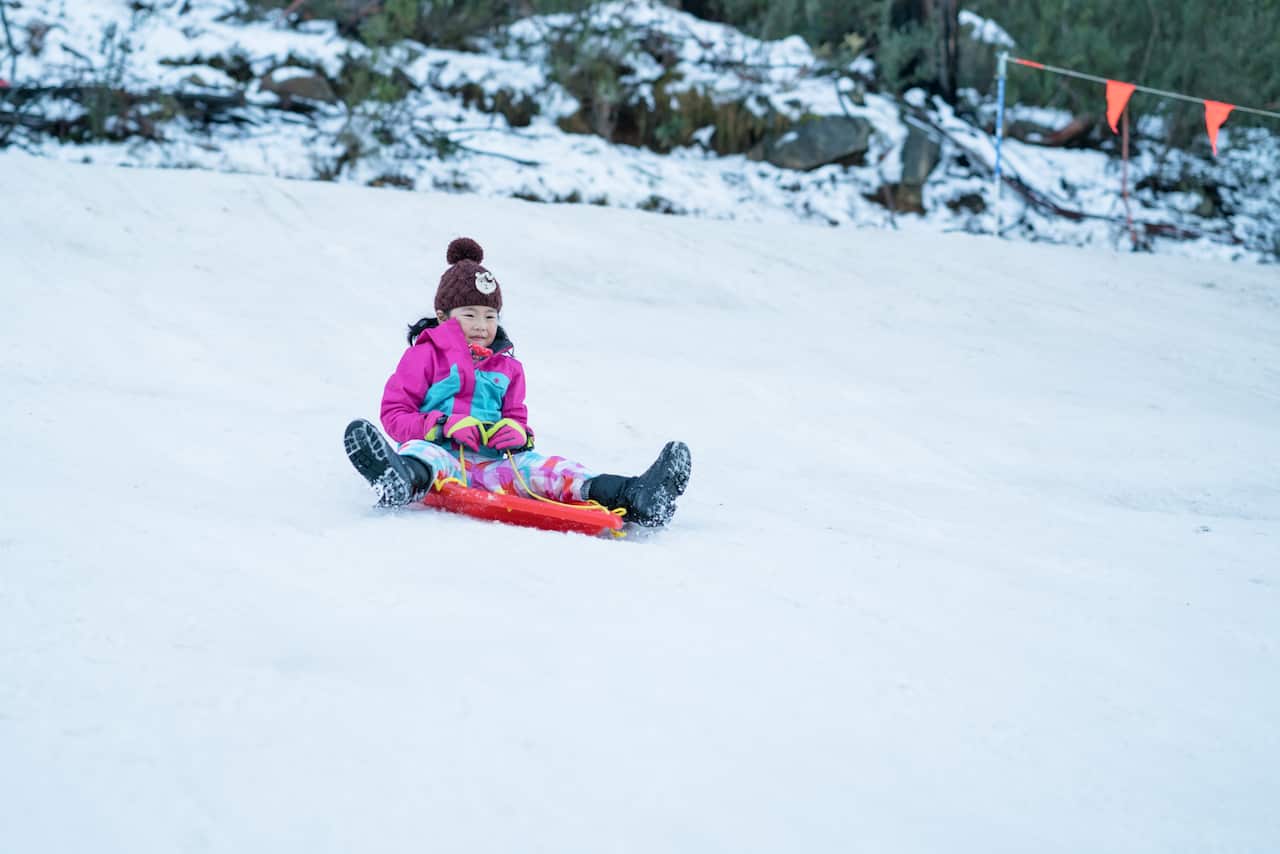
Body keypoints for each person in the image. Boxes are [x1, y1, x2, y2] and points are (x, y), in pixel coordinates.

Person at [344, 237, 691, 527]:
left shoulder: (508, 368)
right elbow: (395, 413)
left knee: (556, 470)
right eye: (470, 314)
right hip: (443, 460)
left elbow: (517, 418)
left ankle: (637, 497)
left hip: (497, 465)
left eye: (490, 316)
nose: (481, 325)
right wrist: (443, 426)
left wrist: (518, 433)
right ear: (442, 316)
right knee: (421, 453)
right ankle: (399, 480)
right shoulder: (424, 355)